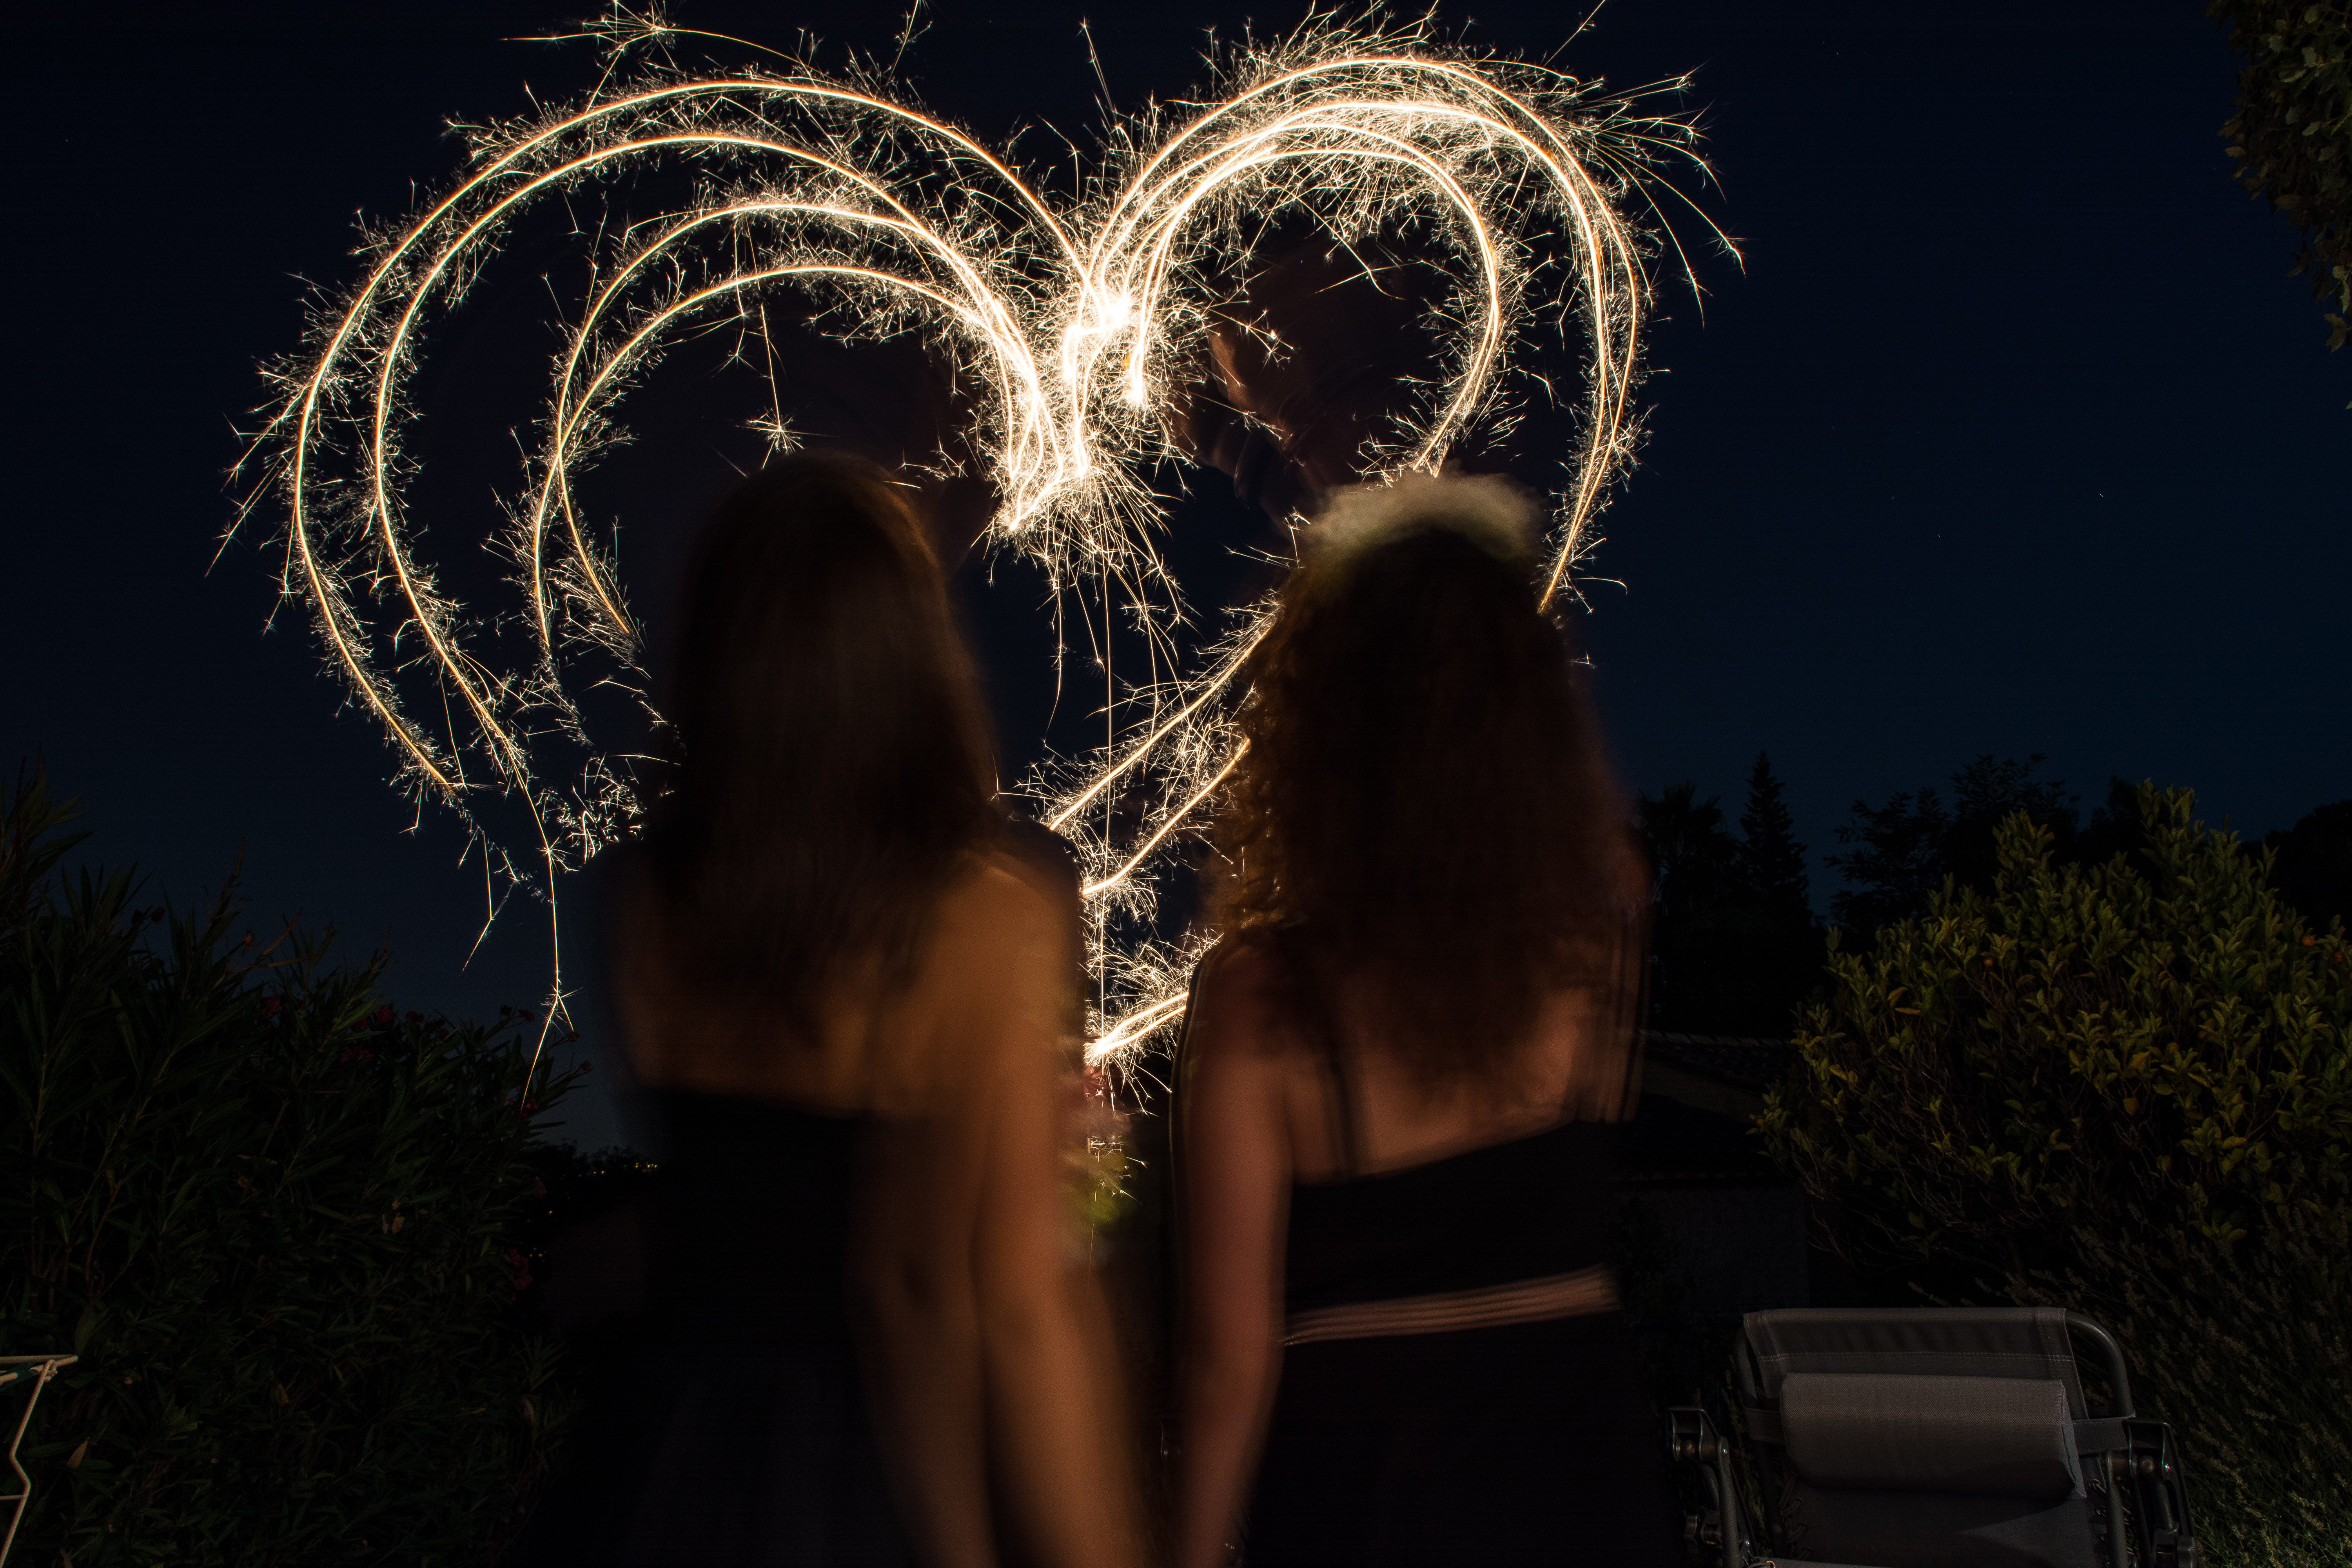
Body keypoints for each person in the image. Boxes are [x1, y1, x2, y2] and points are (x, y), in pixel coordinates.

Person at [525, 452, 1138, 1568]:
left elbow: (714, 1215)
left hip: (665, 1461)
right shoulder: (993, 912)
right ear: (910, 657)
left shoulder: (644, 900)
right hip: (871, 1476)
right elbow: (1004, 1297)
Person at [1171, 474, 1683, 1566]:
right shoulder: (1594, 949)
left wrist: (1193, 1549)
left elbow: (1225, 1359)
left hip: (1367, 1503)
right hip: (1586, 1492)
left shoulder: (1264, 998)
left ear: (1322, 731)